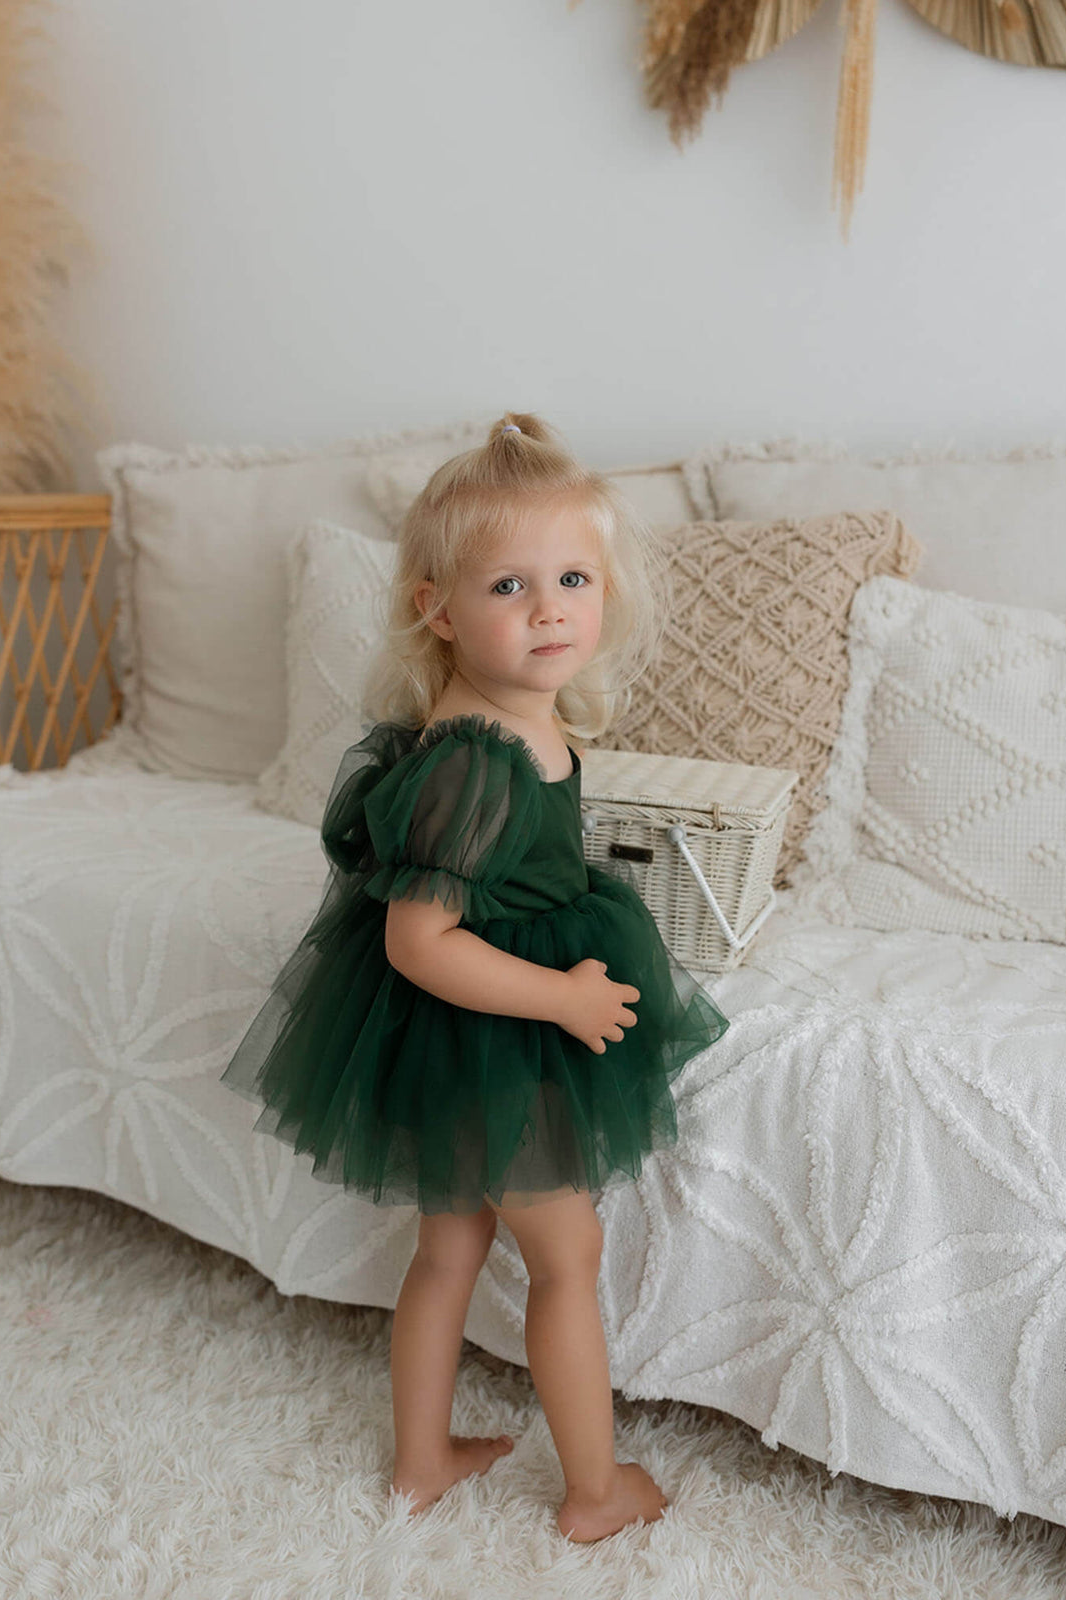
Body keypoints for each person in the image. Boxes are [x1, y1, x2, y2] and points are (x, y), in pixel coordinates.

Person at [220, 411, 730, 1543]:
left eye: (572, 577)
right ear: (435, 608)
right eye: (509, 585)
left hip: (462, 1030)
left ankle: (420, 1463)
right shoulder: (475, 760)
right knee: (568, 1251)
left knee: (451, 1243)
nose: (550, 607)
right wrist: (562, 996)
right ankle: (595, 1491)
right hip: (489, 1018)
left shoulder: (513, 721)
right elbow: (419, 942)